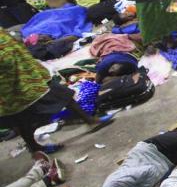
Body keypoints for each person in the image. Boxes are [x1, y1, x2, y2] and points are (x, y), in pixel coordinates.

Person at [0, 31, 111, 159]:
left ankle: (90, 121)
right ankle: (35, 148)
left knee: (59, 93)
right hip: (10, 81)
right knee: (20, 117)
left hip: (27, 72)